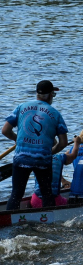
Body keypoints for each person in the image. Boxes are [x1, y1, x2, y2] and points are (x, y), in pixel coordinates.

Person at [2, 80, 69, 210]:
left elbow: (5, 131)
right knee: (47, 194)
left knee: (16, 194)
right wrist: (51, 152)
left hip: (21, 158)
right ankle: (48, 224)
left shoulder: (21, 107)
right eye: (53, 95)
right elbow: (63, 143)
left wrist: (17, 140)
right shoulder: (55, 114)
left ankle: (10, 221)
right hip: (42, 159)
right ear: (50, 95)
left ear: (37, 94)